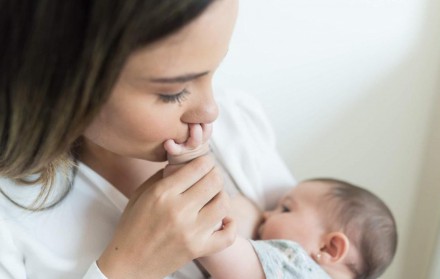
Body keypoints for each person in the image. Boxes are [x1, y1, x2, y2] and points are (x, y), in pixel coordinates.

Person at [0, 1, 296, 278]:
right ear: (58, 78)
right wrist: (128, 268)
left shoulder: (238, 126)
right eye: (173, 91)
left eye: (213, 71)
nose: (211, 109)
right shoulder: (9, 221)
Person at [165, 127, 397, 279]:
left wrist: (187, 159)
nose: (266, 214)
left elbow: (210, 237)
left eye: (285, 208)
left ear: (329, 248)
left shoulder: (293, 266)